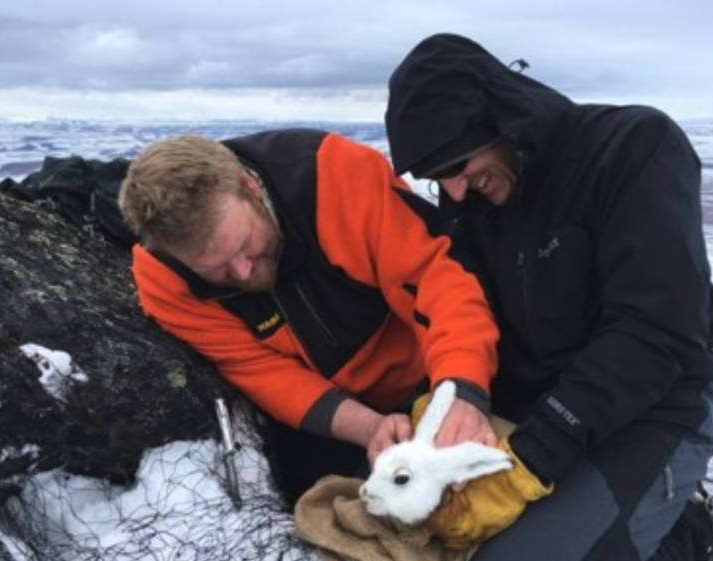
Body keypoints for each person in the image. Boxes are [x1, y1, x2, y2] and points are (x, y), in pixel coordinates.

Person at [385, 33, 713, 561]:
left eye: (456, 164)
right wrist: (449, 404)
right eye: (432, 176)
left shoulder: (632, 149)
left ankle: (695, 534)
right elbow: (465, 316)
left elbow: (657, 332)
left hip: (654, 412)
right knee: (431, 557)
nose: (452, 189)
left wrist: (531, 459)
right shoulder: (471, 203)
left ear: (500, 117)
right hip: (544, 413)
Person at [117, 129, 501, 504]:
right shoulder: (164, 282)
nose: (244, 272)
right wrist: (369, 428)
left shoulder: (336, 174)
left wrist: (461, 392)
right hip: (329, 420)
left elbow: (439, 283)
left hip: (434, 371)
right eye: (217, 270)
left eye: (245, 244)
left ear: (249, 188)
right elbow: (262, 371)